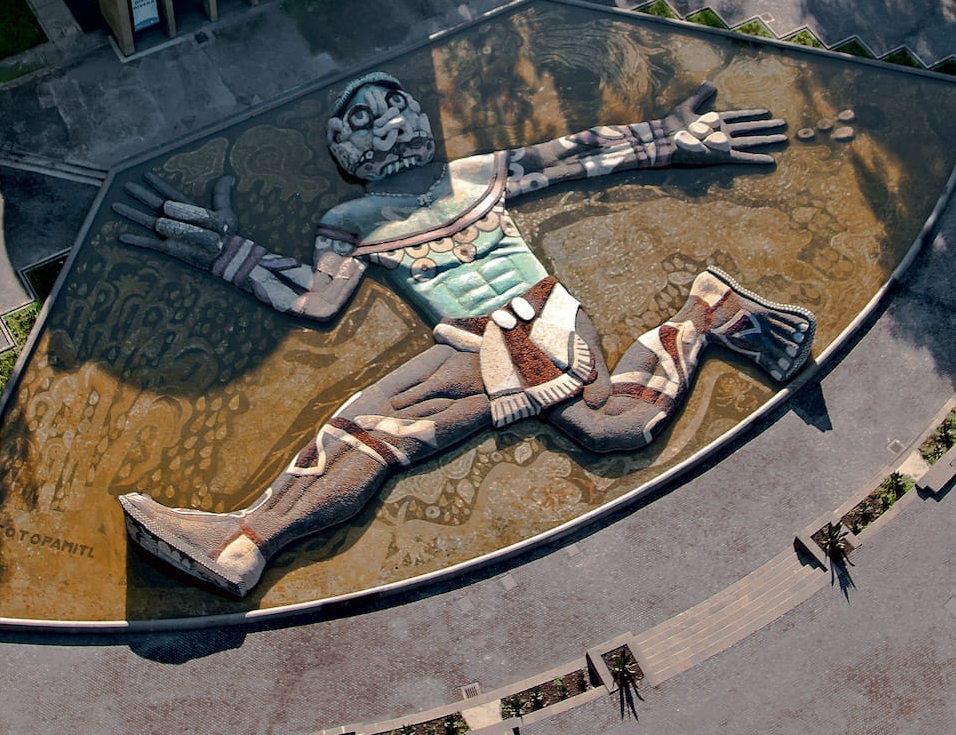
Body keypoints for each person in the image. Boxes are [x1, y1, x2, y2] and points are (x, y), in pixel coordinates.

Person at [114, 73, 815, 597]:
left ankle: (245, 543)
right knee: (613, 427)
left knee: (372, 428)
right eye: (361, 115)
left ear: (417, 117)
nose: (383, 118)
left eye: (393, 102)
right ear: (342, 146)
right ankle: (708, 313)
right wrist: (228, 254)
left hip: (537, 320)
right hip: (479, 337)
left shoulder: (475, 174)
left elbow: (573, 155)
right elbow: (317, 299)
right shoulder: (350, 220)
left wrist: (667, 138)